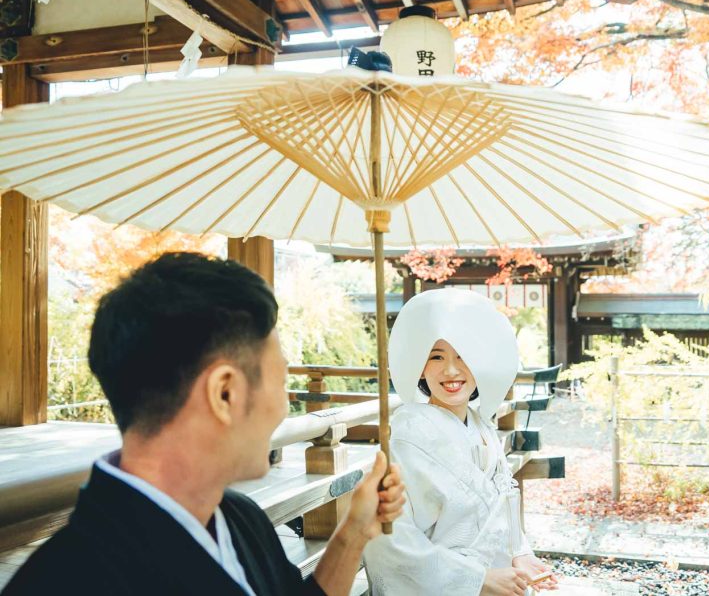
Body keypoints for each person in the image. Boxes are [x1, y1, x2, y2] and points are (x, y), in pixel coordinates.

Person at [2, 252, 404, 596]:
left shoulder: (240, 518)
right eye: (281, 383)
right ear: (224, 393)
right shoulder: (62, 582)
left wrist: (354, 531)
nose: (284, 410)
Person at [363, 288, 557, 595]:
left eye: (463, 356)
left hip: (499, 580)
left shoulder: (481, 427)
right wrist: (476, 579)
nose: (451, 370)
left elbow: (502, 504)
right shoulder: (407, 437)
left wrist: (520, 551)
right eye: (436, 356)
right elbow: (391, 539)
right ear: (420, 367)